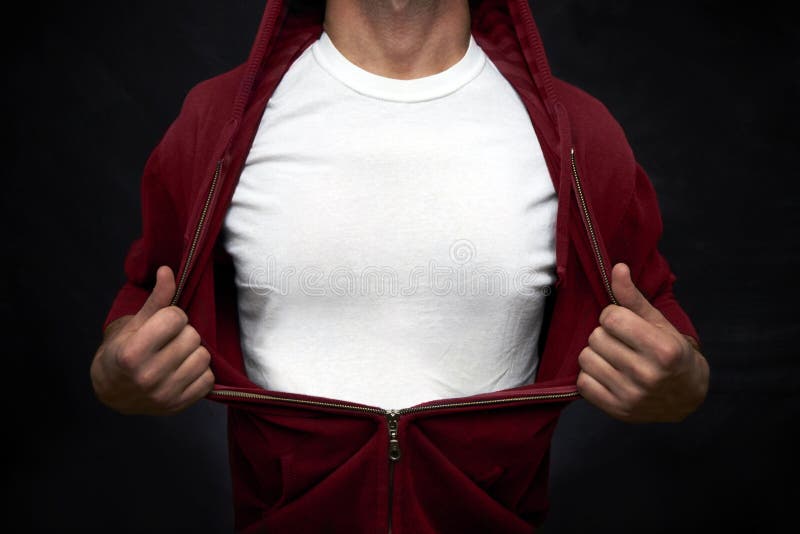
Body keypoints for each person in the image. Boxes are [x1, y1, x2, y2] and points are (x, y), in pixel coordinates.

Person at [90, 0, 710, 532]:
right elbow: (140, 306)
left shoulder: (579, 137)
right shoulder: (217, 124)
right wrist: (117, 373)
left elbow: (665, 333)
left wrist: (680, 385)